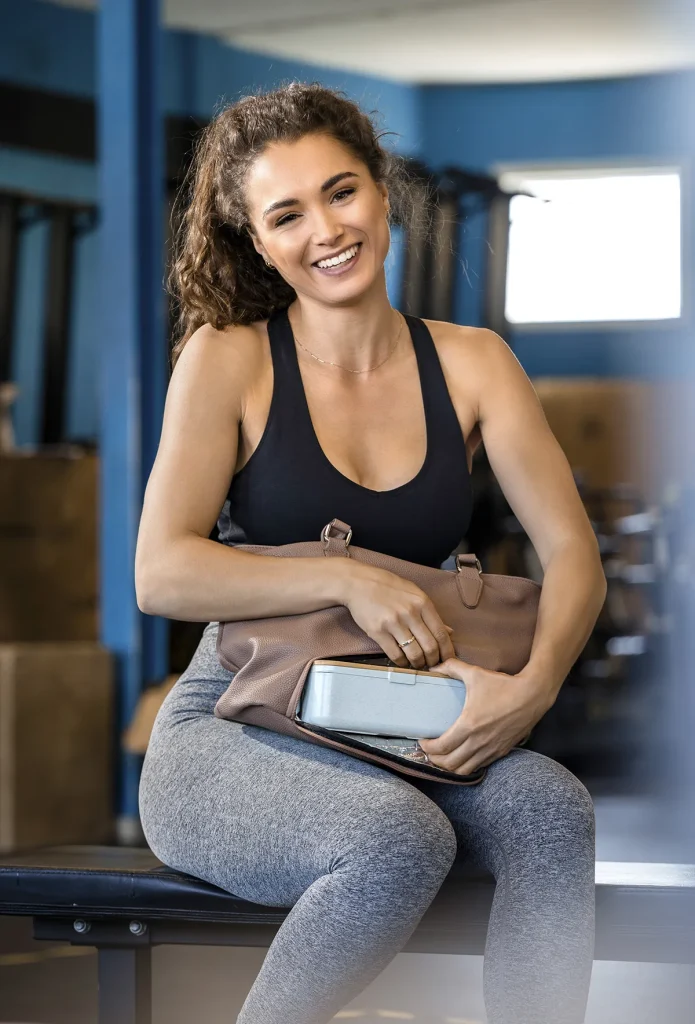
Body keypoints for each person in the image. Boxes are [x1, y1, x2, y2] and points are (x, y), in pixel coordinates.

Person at [136, 82, 607, 1024]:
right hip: (235, 727)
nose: (325, 229)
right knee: (395, 838)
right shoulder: (228, 357)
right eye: (287, 214)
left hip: (404, 718)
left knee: (551, 811)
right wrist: (346, 578)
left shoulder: (474, 363)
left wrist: (535, 686)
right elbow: (161, 573)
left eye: (341, 192)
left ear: (382, 192)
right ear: (257, 240)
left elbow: (574, 557)